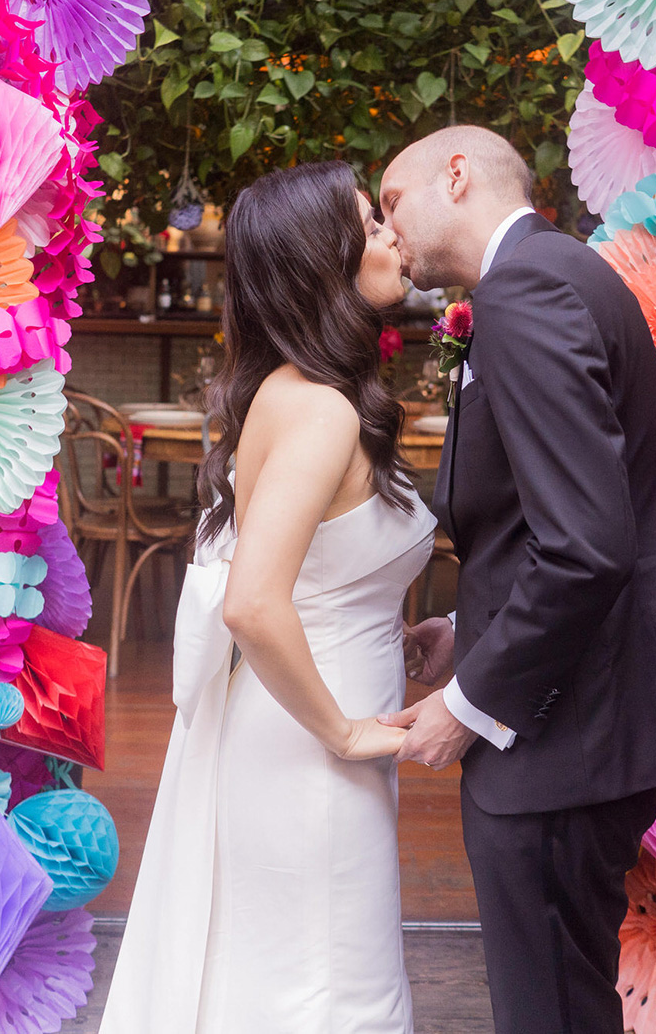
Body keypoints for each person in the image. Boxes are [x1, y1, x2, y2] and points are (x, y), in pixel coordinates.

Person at [377, 126, 656, 1034]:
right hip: (590, 714)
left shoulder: (527, 287)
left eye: (391, 201)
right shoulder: (561, 272)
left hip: (564, 736)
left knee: (551, 1011)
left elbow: (583, 543)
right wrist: (473, 624)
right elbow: (562, 516)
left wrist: (469, 703)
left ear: (456, 174)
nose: (388, 229)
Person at [99, 161, 438, 1033]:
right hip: (310, 751)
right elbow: (255, 600)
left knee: (295, 975)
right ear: (324, 260)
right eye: (369, 225)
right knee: (325, 987)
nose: (393, 235)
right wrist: (347, 730)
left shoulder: (300, 392)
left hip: (302, 726)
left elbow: (318, 570)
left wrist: (386, 628)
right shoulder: (318, 408)